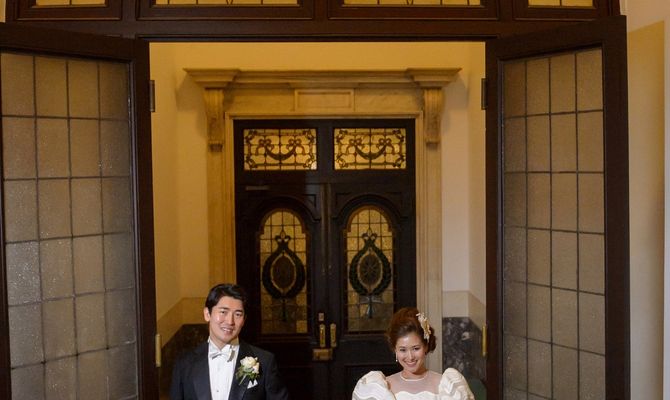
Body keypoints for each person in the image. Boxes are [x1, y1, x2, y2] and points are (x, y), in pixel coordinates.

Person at [170, 283, 290, 400]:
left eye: (238, 314)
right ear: (207, 314)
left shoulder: (265, 362)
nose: (230, 321)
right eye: (223, 312)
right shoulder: (184, 363)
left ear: (244, 320)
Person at [352, 307, 475, 400]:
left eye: (416, 348)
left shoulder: (448, 387)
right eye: (403, 350)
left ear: (426, 346)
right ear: (395, 349)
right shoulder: (379, 389)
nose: (410, 357)